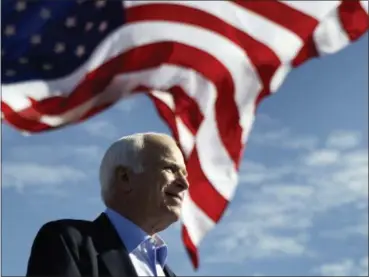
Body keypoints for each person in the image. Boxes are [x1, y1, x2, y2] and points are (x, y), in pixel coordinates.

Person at [26, 132, 189, 277]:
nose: (184, 184)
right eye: (170, 169)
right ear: (125, 178)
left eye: (184, 174)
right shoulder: (67, 243)